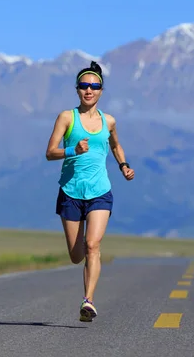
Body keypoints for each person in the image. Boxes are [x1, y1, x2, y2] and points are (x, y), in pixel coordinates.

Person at [45, 60, 135, 322]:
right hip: (71, 192)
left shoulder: (109, 121)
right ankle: (84, 262)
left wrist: (124, 166)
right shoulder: (66, 118)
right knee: (76, 255)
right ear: (77, 89)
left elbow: (117, 146)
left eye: (94, 86)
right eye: (84, 86)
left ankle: (89, 301)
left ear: (101, 91)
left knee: (93, 245)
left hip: (100, 192)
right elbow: (50, 152)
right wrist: (74, 150)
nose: (89, 90)